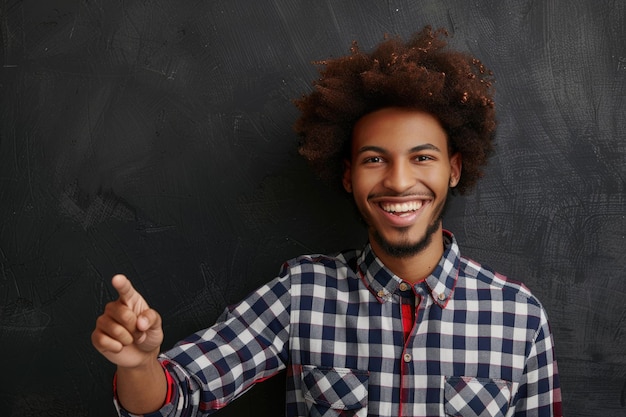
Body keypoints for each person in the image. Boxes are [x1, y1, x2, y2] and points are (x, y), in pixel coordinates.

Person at [92, 26, 563, 417]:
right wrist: (139, 365)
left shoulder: (519, 317)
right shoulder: (301, 295)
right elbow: (175, 398)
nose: (399, 182)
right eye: (375, 159)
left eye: (422, 157)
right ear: (347, 176)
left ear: (454, 169)